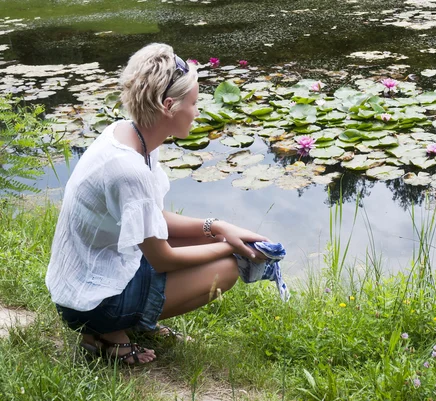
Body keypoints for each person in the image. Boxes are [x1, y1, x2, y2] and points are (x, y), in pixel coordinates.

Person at [46, 43, 269, 365]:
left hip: (90, 276)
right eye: (193, 102)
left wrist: (217, 228)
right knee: (226, 269)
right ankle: (108, 331)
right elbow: (161, 258)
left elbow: (151, 219)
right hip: (91, 300)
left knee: (206, 239)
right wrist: (232, 248)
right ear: (168, 105)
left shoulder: (127, 134)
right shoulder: (129, 168)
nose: (198, 111)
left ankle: (127, 321)